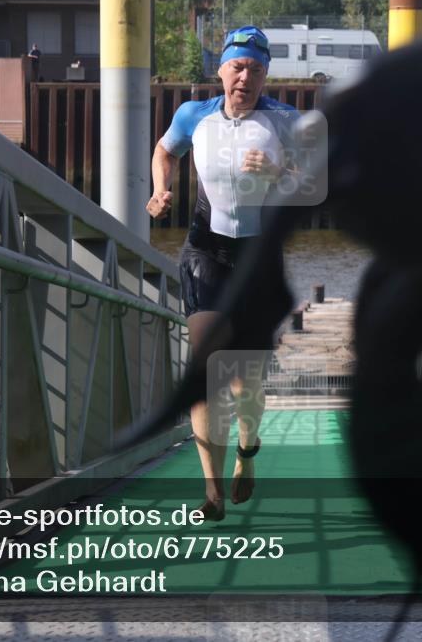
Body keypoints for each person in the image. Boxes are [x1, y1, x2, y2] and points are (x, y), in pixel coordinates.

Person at [146, 26, 300, 521]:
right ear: (220, 71)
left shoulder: (287, 121)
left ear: (266, 75)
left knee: (246, 382)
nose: (245, 77)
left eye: (256, 69)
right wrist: (160, 189)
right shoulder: (194, 115)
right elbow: (165, 150)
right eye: (237, 66)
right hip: (205, 250)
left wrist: (280, 173)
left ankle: (247, 453)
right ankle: (211, 487)